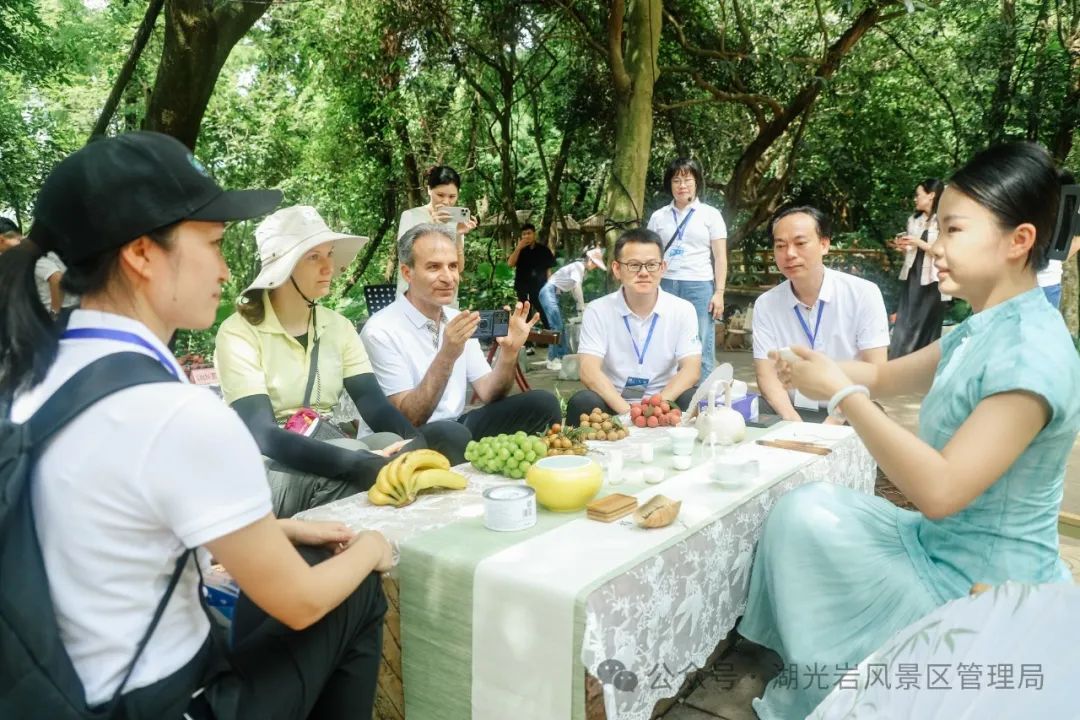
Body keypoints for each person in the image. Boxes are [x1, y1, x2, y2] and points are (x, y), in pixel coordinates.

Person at [1, 131, 394, 720]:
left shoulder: (28, 378)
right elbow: (301, 603)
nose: (227, 269)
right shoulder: (175, 412)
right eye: (212, 243)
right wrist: (372, 547)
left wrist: (283, 528)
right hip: (165, 705)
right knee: (354, 589)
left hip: (48, 692)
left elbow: (102, 527)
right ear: (141, 253)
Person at [740, 142, 1080, 720]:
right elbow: (883, 376)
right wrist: (817, 368)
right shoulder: (982, 327)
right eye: (937, 228)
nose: (935, 246)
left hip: (986, 579)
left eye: (953, 230)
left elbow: (941, 491)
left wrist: (840, 394)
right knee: (802, 512)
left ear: (1018, 240)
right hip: (936, 541)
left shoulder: (1030, 354)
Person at [215, 205, 470, 518]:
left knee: (435, 437)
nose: (329, 267)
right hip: (269, 466)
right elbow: (263, 434)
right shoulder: (239, 333)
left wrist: (415, 444)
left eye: (330, 254)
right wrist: (359, 463)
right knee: (359, 461)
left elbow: (375, 407)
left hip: (329, 442)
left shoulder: (337, 327)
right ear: (284, 267)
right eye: (314, 257)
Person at [362, 223, 562, 440]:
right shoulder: (380, 331)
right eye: (434, 267)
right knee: (450, 433)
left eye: (453, 266)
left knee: (543, 404)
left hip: (455, 429)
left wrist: (509, 352)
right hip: (403, 439)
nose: (448, 278)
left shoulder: (457, 318)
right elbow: (408, 420)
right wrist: (447, 354)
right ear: (407, 273)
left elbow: (489, 392)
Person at [751, 206, 889, 423]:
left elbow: (875, 369)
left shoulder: (863, 294)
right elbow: (766, 374)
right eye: (780, 245)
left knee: (874, 418)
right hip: (789, 409)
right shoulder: (766, 304)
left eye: (800, 243)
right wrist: (792, 422)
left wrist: (833, 422)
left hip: (847, 408)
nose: (790, 254)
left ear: (824, 244)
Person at [568, 228, 702, 420]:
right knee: (583, 402)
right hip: (613, 400)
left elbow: (691, 369)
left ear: (663, 267)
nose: (644, 272)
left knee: (695, 399)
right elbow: (588, 370)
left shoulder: (683, 310)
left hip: (664, 400)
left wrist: (654, 408)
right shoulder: (598, 310)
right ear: (617, 269)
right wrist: (628, 412)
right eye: (634, 265)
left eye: (652, 265)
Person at [647, 157, 728, 382]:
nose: (682, 185)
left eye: (687, 180)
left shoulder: (710, 215)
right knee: (664, 340)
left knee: (701, 341)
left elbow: (720, 257)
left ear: (697, 182)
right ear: (669, 185)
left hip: (699, 285)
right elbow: (649, 254)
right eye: (676, 180)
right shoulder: (658, 217)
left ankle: (703, 394)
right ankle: (667, 393)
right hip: (665, 284)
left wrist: (719, 292)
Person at [395, 165, 478, 305]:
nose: (446, 201)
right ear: (429, 190)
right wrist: (434, 226)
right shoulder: (411, 216)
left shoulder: (456, 222)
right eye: (440, 195)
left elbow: (459, 268)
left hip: (445, 298)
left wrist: (458, 235)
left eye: (452, 196)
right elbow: (405, 258)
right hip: (415, 299)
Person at [888, 178, 948, 358]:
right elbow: (910, 252)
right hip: (913, 275)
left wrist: (918, 242)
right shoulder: (914, 220)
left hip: (934, 278)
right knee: (906, 319)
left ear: (931, 195)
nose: (915, 199)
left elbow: (943, 252)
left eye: (918, 195)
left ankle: (926, 362)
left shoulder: (943, 220)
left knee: (927, 322)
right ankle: (899, 359)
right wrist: (902, 247)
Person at [537, 246, 605, 371]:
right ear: (590, 260)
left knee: (560, 326)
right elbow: (577, 287)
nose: (595, 267)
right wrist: (582, 306)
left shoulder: (580, 269)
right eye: (595, 264)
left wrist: (580, 306)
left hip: (554, 293)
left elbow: (574, 289)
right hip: (549, 292)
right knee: (556, 326)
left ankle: (562, 357)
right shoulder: (578, 266)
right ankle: (552, 359)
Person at [1035, 172, 1080, 307]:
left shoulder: (1072, 203)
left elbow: (1076, 241)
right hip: (1018, 284)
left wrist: (1056, 257)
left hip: (1046, 285)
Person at [507, 222, 555, 330]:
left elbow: (548, 270)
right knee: (524, 314)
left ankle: (550, 334)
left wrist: (550, 287)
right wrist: (518, 248)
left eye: (529, 233)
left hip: (540, 288)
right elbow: (510, 264)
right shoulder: (520, 250)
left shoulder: (544, 250)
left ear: (534, 234)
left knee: (544, 312)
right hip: (522, 287)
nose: (526, 236)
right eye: (524, 234)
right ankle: (526, 337)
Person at [34, 250, 80, 316]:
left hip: (63, 309)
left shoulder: (38, 261)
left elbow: (57, 278)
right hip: (69, 306)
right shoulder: (49, 255)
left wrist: (54, 312)